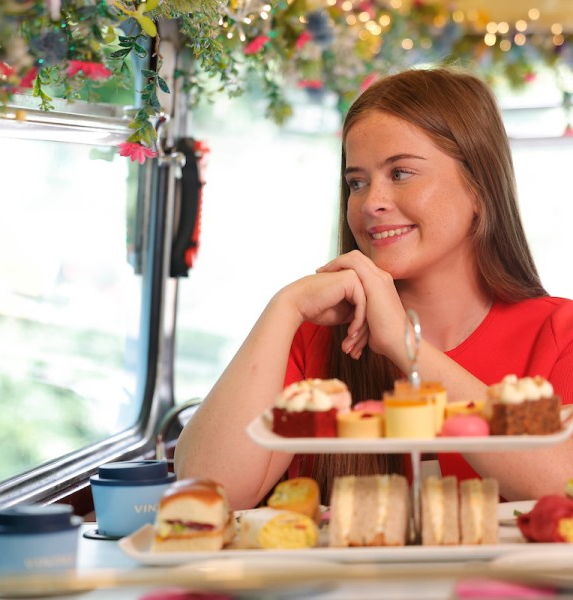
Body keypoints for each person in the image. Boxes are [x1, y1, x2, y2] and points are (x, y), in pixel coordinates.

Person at [174, 67, 573, 510]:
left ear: (480, 189)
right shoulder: (312, 342)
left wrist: (405, 347)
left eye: (400, 173)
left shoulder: (560, 333)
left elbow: (563, 484)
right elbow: (207, 493)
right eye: (357, 182)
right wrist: (283, 308)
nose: (371, 203)